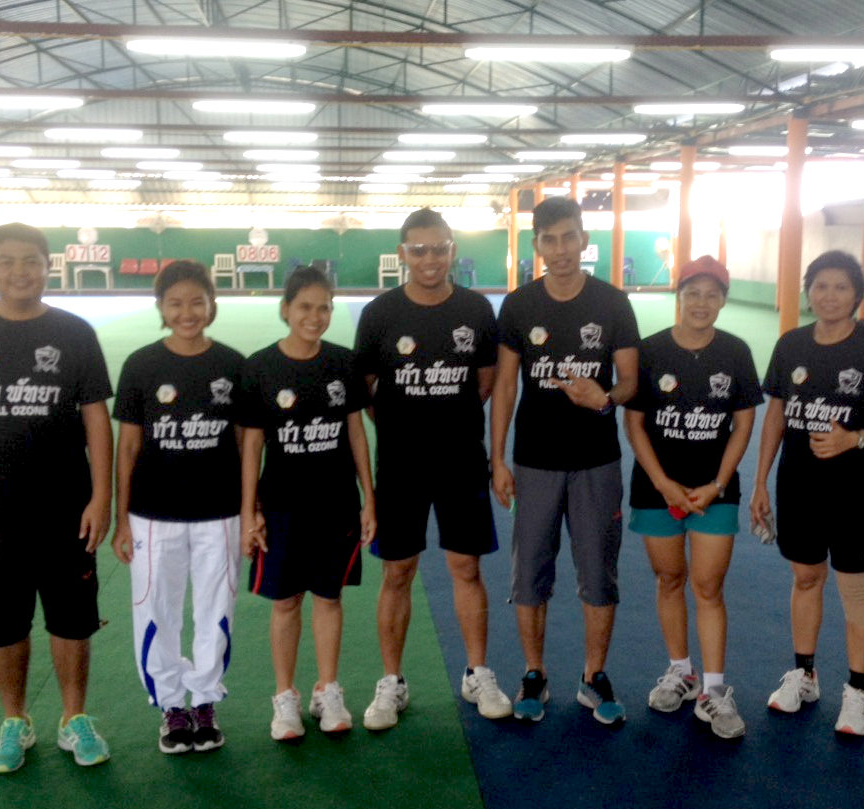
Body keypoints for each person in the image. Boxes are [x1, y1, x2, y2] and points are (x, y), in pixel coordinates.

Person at [0, 222, 113, 772]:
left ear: (48, 266)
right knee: (4, 622)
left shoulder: (75, 333)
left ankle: (73, 719)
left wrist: (101, 496)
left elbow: (96, 423)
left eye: (30, 261)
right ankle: (15, 721)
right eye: (6, 261)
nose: (19, 272)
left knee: (72, 620)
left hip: (66, 508)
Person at [354, 208, 509, 731]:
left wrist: (444, 419)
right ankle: (391, 682)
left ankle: (477, 672)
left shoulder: (476, 309)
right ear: (402, 253)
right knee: (397, 572)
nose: (429, 258)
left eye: (439, 248)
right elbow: (368, 391)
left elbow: (485, 383)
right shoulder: (379, 313)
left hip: (461, 458)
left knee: (466, 568)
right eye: (418, 249)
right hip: (399, 462)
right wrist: (404, 424)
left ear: (452, 251)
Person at [491, 196, 640, 725]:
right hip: (533, 461)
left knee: (599, 573)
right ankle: (535, 672)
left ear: (583, 239)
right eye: (549, 240)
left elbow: (630, 382)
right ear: (537, 246)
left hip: (597, 461)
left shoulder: (612, 303)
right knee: (529, 572)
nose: (560, 249)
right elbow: (505, 385)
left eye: (569, 237)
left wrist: (604, 398)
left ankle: (593, 676)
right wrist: (498, 459)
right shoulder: (518, 305)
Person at [751, 250, 864, 737]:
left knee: (857, 587)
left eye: (841, 287)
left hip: (854, 491)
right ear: (808, 290)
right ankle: (805, 674)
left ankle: (857, 692)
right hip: (797, 486)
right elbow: (775, 414)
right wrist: (760, 481)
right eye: (820, 286)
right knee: (805, 578)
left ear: (857, 295)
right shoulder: (791, 343)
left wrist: (851, 440)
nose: (830, 296)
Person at [624, 256, 762, 739]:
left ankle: (714, 689)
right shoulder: (650, 351)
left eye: (712, 294)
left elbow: (743, 424)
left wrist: (719, 483)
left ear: (723, 299)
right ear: (678, 296)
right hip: (656, 488)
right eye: (693, 293)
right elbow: (636, 421)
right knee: (669, 579)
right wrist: (662, 482)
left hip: (713, 492)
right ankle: (680, 671)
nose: (702, 303)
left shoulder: (736, 352)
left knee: (707, 586)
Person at [111, 260, 244, 754]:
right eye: (175, 303)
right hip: (152, 514)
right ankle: (171, 707)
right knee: (157, 611)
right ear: (161, 309)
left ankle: (205, 702)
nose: (187, 312)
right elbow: (127, 449)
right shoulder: (141, 365)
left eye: (196, 301)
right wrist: (120, 519)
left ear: (212, 304)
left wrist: (249, 512)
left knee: (215, 610)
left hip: (220, 513)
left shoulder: (233, 365)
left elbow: (248, 445)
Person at [239, 265, 376, 741]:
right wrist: (249, 509)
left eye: (324, 308)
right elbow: (252, 446)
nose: (315, 317)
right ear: (285, 309)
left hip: (336, 502)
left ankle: (328, 690)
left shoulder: (343, 363)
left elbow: (356, 432)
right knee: (285, 602)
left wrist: (369, 500)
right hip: (280, 506)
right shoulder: (259, 367)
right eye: (304, 307)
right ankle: (285, 699)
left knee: (329, 597)